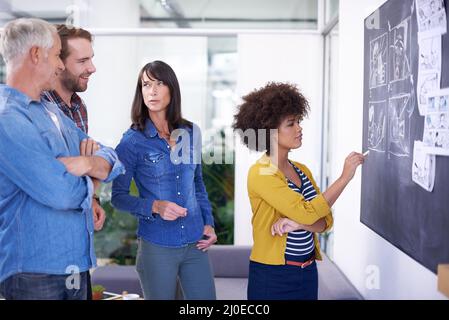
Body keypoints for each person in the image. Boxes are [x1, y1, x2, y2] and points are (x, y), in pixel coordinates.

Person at [0, 18, 124, 300]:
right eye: (57, 55)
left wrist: (87, 165)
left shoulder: (50, 113)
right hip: (35, 272)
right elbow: (61, 193)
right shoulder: (8, 118)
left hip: (74, 263)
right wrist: (93, 179)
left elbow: (111, 157)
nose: (59, 66)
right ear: (35, 54)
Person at [232, 82, 365, 300]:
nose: (299, 128)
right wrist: (344, 178)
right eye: (291, 124)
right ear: (270, 132)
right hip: (273, 276)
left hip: (307, 272)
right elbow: (307, 212)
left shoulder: (302, 171)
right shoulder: (261, 173)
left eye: (298, 121)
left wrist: (299, 224)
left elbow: (325, 221)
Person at [111, 60, 217, 300]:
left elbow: (197, 183)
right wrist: (155, 207)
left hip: (194, 243)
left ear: (172, 88)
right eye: (146, 85)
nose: (152, 91)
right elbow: (118, 197)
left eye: (159, 83)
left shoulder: (191, 132)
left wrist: (208, 222)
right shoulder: (131, 142)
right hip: (156, 247)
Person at [41, 24, 103, 301]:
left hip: (78, 244)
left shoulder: (79, 107)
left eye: (91, 58)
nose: (92, 68)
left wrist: (93, 197)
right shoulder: (37, 109)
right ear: (57, 63)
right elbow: (53, 173)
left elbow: (93, 162)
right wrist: (90, 165)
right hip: (44, 250)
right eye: (82, 61)